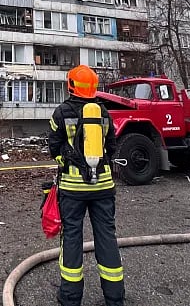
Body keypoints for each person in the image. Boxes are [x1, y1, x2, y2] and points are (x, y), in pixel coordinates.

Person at [48, 65, 124, 306]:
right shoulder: (104, 113)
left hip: (73, 189)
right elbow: (111, 148)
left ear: (71, 86)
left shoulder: (61, 113)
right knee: (106, 237)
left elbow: (53, 148)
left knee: (72, 237)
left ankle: (70, 297)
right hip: (103, 187)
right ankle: (115, 298)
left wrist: (66, 160)